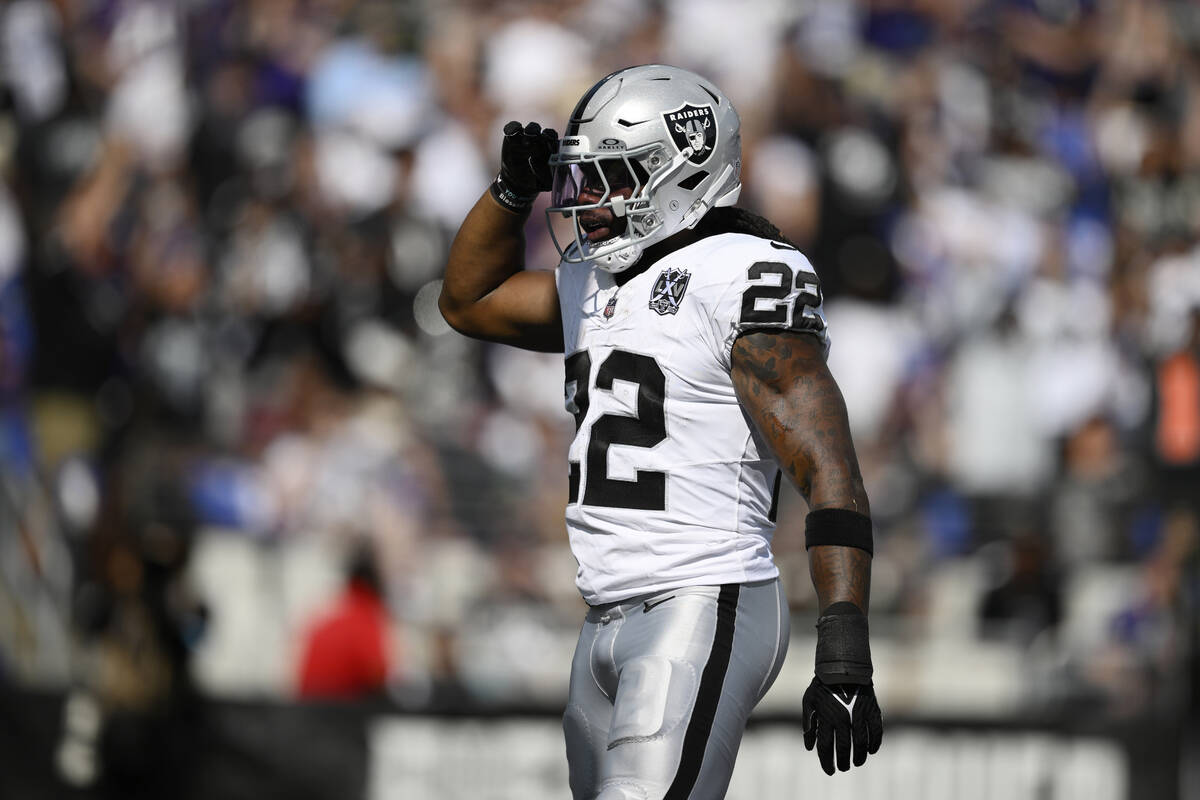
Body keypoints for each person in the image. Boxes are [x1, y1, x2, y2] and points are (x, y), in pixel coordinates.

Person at [440, 64, 882, 798]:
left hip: (704, 596)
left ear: (682, 170)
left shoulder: (739, 270)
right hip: (603, 613)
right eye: (582, 181)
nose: (588, 204)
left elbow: (828, 464)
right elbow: (469, 299)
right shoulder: (593, 282)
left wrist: (843, 640)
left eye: (612, 178)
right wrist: (510, 195)